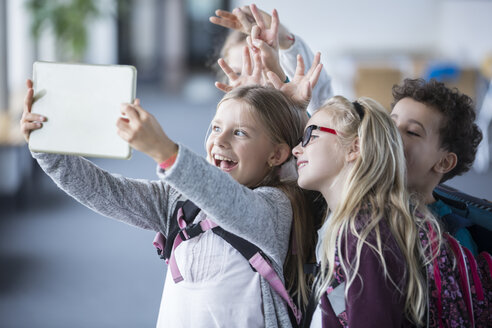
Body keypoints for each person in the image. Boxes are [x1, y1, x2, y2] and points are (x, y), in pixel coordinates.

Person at [20, 57, 320, 327]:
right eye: (216, 128)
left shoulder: (277, 208)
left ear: (277, 154)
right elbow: (103, 191)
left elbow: (230, 203)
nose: (220, 141)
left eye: (240, 132)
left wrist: (164, 151)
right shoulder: (179, 201)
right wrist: (47, 148)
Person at [291, 96, 441, 327]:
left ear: (354, 148)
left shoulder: (366, 234)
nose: (296, 149)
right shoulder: (355, 225)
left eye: (311, 135)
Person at [390, 78, 485, 255]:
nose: (392, 134)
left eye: (412, 132)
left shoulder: (454, 238)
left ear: (444, 162)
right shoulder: (365, 199)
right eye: (390, 124)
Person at [210, 4, 333, 115]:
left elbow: (323, 108)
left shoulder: (293, 120)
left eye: (258, 70)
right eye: (237, 73)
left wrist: (284, 39)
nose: (249, 82)